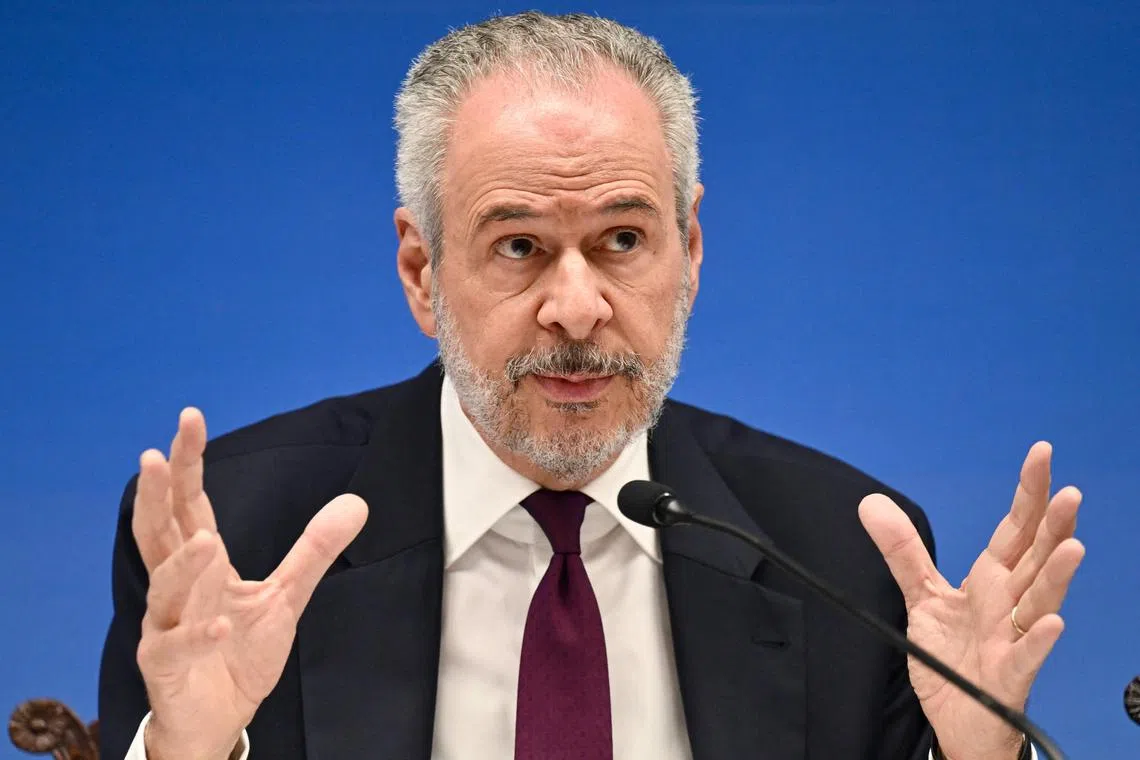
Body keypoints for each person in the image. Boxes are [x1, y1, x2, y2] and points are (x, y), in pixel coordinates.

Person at [98, 11, 1084, 760]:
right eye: (520, 245)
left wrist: (986, 752)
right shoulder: (240, 537)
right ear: (421, 272)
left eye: (622, 240)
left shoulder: (839, 558)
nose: (578, 307)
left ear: (689, 250)